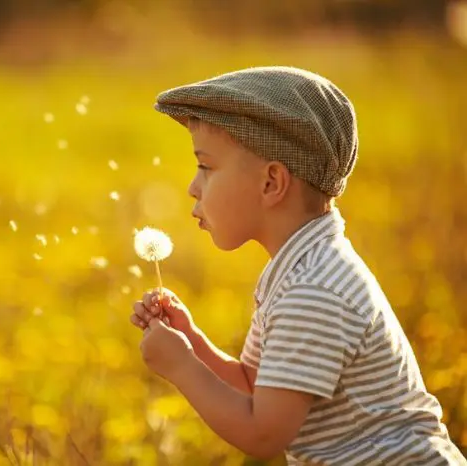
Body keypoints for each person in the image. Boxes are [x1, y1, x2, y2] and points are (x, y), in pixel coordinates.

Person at [129, 66, 467, 465]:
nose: (192, 186)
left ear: (271, 183)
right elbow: (257, 387)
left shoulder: (314, 290)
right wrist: (194, 342)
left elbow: (264, 433)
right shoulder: (300, 269)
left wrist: (182, 367)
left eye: (206, 167)